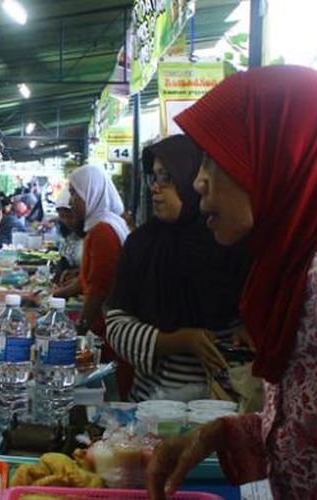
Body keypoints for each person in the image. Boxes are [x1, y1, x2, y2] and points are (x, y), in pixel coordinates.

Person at [147, 66, 317, 499]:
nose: (198, 181)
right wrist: (220, 434)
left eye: (214, 160)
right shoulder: (290, 264)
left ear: (280, 153)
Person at [105, 135, 250, 402]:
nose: (155, 189)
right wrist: (178, 340)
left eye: (167, 178)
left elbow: (247, 322)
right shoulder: (142, 245)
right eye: (154, 177)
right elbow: (115, 325)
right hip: (152, 406)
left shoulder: (229, 241)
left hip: (223, 407)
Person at [69, 165, 132, 398]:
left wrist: (79, 330)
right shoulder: (108, 223)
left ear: (91, 192)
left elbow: (99, 288)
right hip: (111, 329)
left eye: (76, 193)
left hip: (108, 333)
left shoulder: (103, 230)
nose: (72, 200)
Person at [52, 189, 83, 299]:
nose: (66, 221)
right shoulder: (70, 235)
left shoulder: (96, 233)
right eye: (62, 216)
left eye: (69, 216)